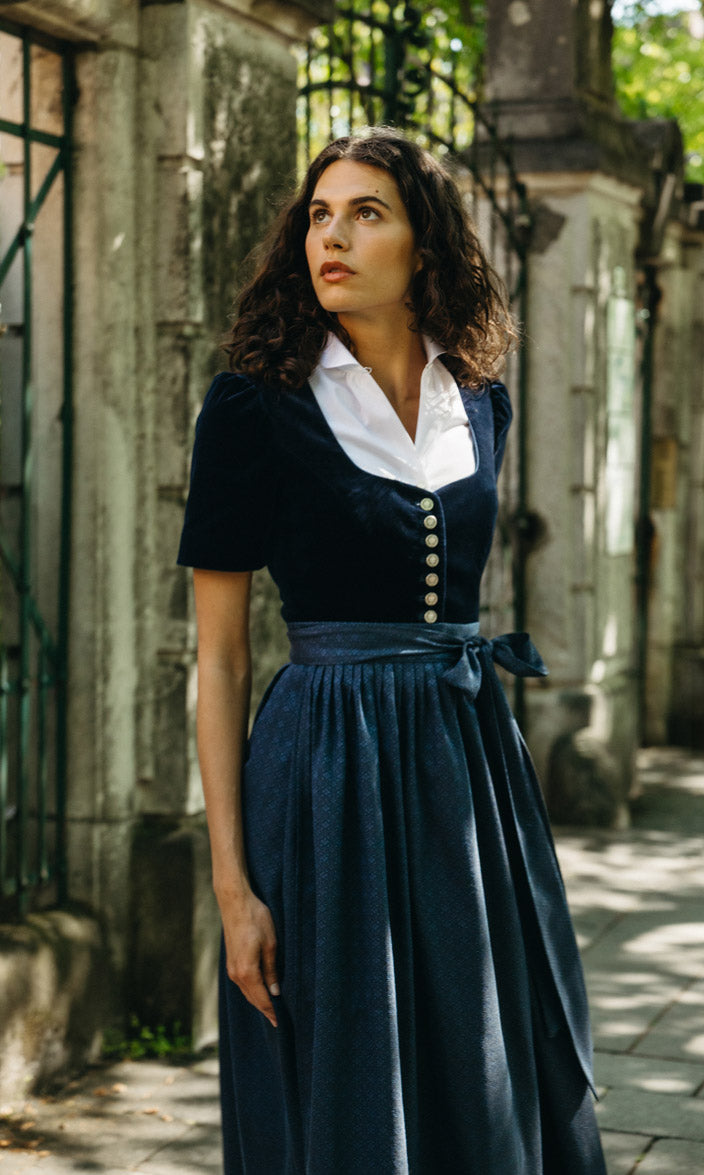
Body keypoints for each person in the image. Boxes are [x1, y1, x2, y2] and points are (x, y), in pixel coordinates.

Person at [177, 127, 606, 1174]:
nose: (331, 235)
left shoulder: (481, 402)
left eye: (365, 213)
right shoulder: (251, 407)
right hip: (321, 771)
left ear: (424, 247)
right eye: (319, 215)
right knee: (340, 1059)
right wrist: (231, 888)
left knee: (481, 1051)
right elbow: (222, 659)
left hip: (464, 764)